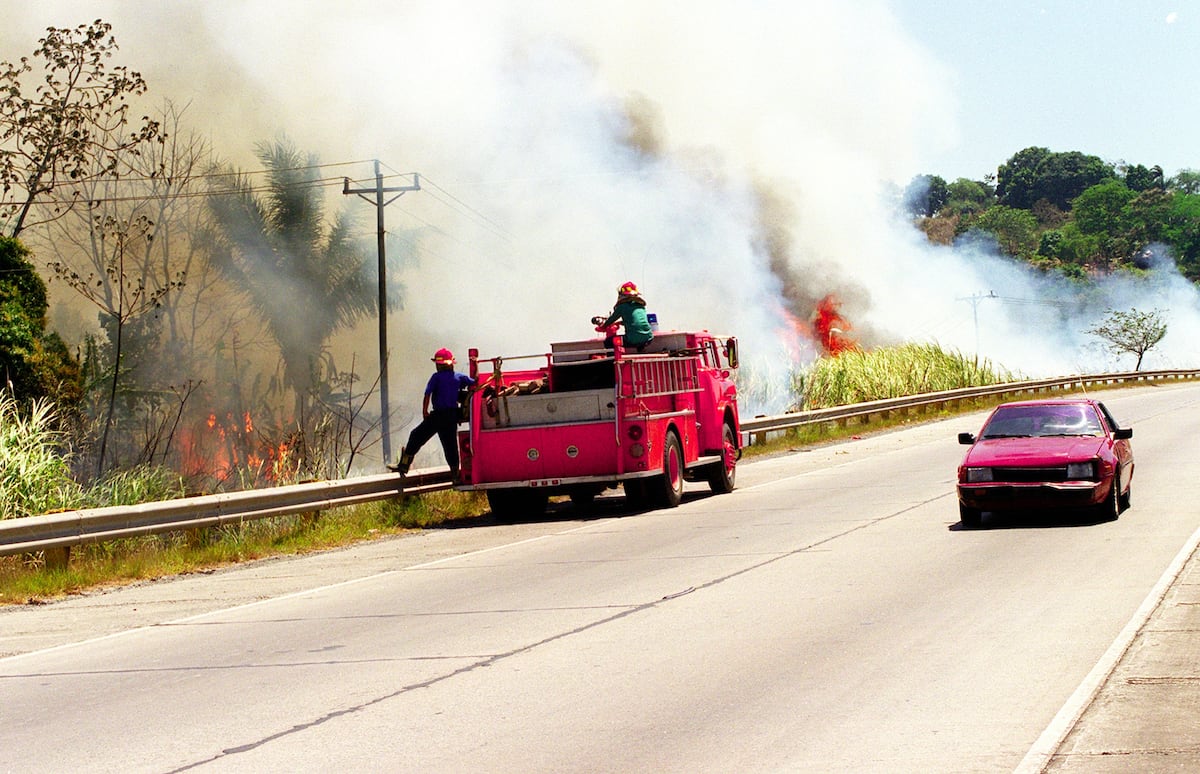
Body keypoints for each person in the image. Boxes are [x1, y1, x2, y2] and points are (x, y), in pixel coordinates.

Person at [390, 348, 475, 476]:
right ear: (451, 363)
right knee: (450, 447)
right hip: (451, 417)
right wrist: (476, 363)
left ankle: (404, 465)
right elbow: (476, 383)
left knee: (416, 436)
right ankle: (456, 475)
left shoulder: (436, 377)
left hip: (438, 416)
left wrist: (424, 411)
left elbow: (427, 394)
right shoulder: (459, 377)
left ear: (439, 365)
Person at [594, 280, 654, 351]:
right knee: (639, 338)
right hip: (649, 338)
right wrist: (620, 322)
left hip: (632, 339)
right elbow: (635, 321)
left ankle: (613, 360)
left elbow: (611, 320)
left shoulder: (622, 306)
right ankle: (641, 351)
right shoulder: (641, 305)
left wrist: (603, 326)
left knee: (608, 342)